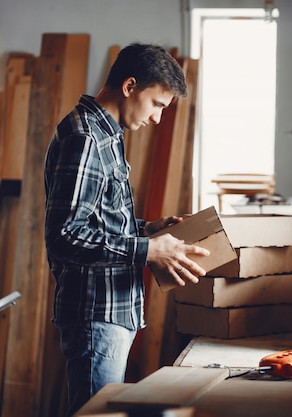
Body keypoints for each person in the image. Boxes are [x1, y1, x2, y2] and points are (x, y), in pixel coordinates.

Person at [43, 42, 209, 417]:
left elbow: (98, 220)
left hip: (111, 311)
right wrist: (148, 250)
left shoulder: (108, 136)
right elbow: (65, 234)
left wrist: (148, 230)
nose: (157, 120)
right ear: (130, 86)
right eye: (157, 106)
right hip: (95, 313)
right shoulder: (86, 138)